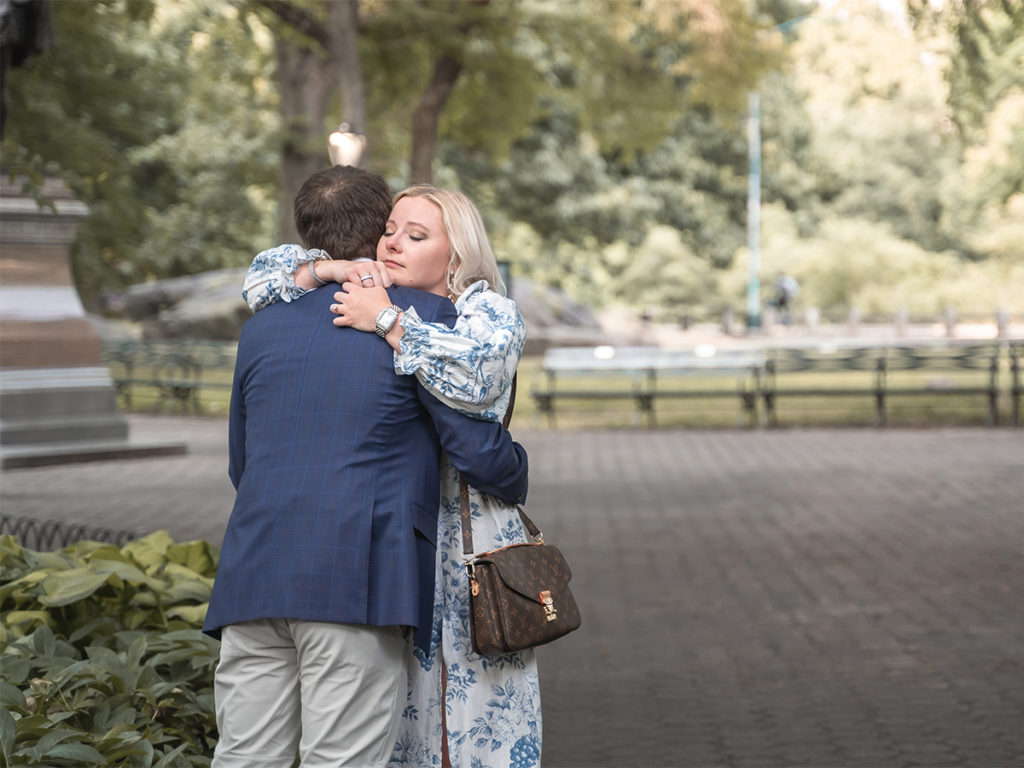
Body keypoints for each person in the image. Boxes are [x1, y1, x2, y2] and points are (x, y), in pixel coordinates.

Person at [203, 166, 530, 768]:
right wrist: (516, 470)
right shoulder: (425, 323)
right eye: (392, 230)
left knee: (244, 758)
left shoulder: (264, 323)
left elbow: (241, 464)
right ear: (376, 230)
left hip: (253, 571)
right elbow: (478, 453)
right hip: (354, 574)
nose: (397, 243)